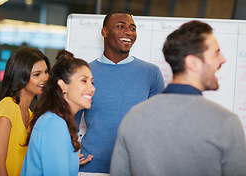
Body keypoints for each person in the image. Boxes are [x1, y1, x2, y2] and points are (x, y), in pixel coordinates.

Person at [110, 20, 246, 176]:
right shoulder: (226, 123)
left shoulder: (134, 116)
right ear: (193, 63)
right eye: (216, 53)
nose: (223, 59)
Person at [76, 10, 165, 174]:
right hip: (92, 167)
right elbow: (70, 121)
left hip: (135, 167)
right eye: (120, 26)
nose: (128, 32)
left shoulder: (151, 73)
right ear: (104, 31)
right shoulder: (84, 72)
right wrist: (69, 155)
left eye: (132, 28)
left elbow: (159, 123)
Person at [21, 50, 95, 175]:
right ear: (63, 85)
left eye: (92, 82)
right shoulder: (55, 124)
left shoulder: (59, 121)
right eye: (84, 81)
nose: (92, 88)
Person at [0, 47, 50, 176]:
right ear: (20, 76)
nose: (45, 78)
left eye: (46, 72)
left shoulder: (31, 115)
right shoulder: (7, 107)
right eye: (37, 74)